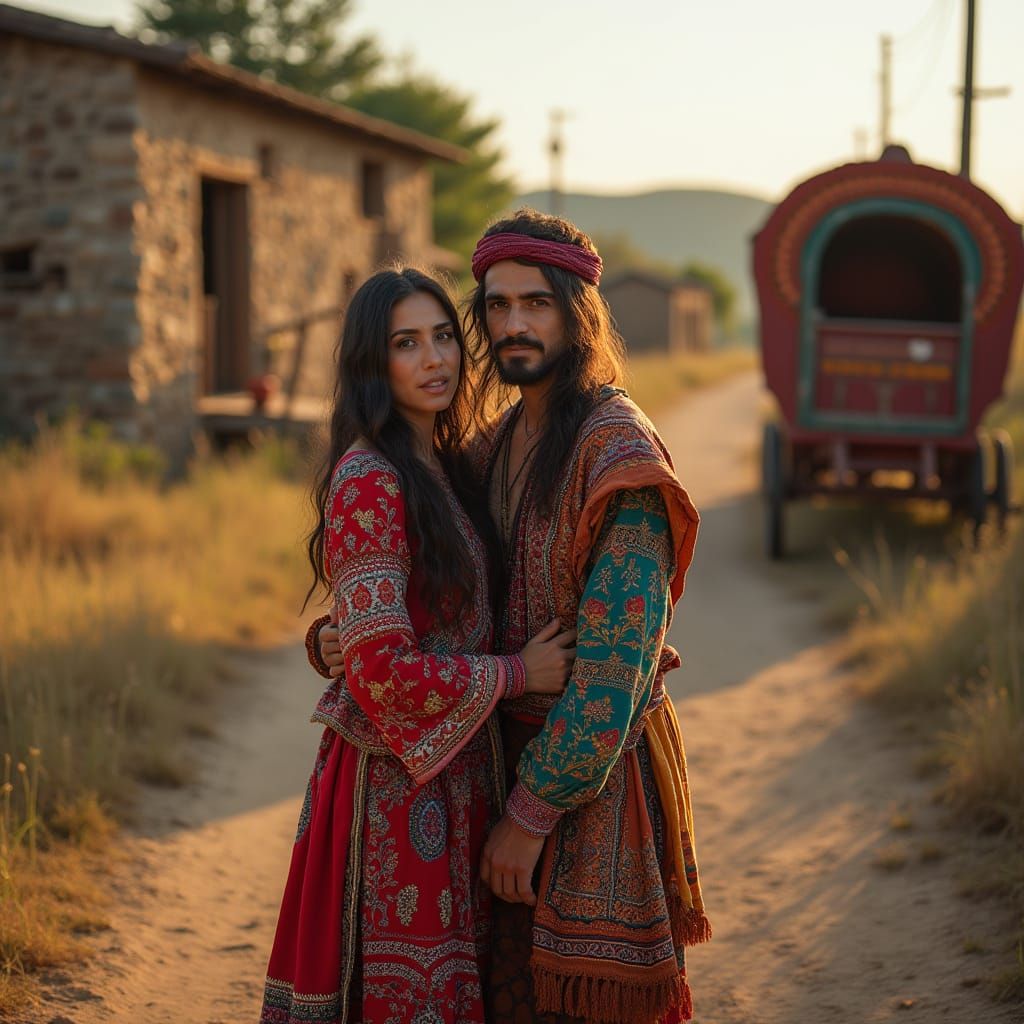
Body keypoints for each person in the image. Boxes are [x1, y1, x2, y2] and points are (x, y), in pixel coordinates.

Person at [315, 212, 711, 1024]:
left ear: (579, 314)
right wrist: (341, 638)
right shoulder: (496, 444)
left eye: (536, 302)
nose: (514, 324)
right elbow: (427, 585)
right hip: (486, 769)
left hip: (587, 795)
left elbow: (613, 677)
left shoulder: (619, 458)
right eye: (496, 306)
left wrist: (529, 818)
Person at [261, 266, 575, 1024]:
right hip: (396, 793)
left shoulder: (449, 463)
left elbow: (388, 620)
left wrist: (333, 636)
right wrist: (515, 673)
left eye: (443, 337)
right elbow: (381, 672)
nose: (435, 359)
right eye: (407, 343)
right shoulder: (371, 477)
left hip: (458, 771)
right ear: (374, 362)